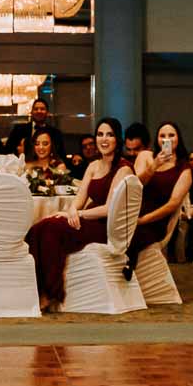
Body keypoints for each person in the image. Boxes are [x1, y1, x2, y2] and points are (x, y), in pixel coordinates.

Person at [25, 118, 133, 310]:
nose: (104, 139)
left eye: (109, 134)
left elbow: (110, 208)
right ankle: (35, 288)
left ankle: (52, 293)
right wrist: (72, 210)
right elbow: (79, 198)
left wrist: (79, 215)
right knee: (39, 227)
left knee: (51, 230)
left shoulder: (123, 168)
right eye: (100, 134)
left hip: (105, 226)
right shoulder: (93, 166)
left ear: (118, 139)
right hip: (87, 219)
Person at [127, 121, 193, 272]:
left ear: (178, 138)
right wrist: (154, 166)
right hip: (135, 210)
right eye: (162, 136)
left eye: (171, 135)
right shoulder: (146, 156)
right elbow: (135, 186)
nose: (167, 139)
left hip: (156, 220)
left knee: (133, 236)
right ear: (157, 139)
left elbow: (173, 204)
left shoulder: (184, 169)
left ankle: (127, 273)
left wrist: (144, 220)